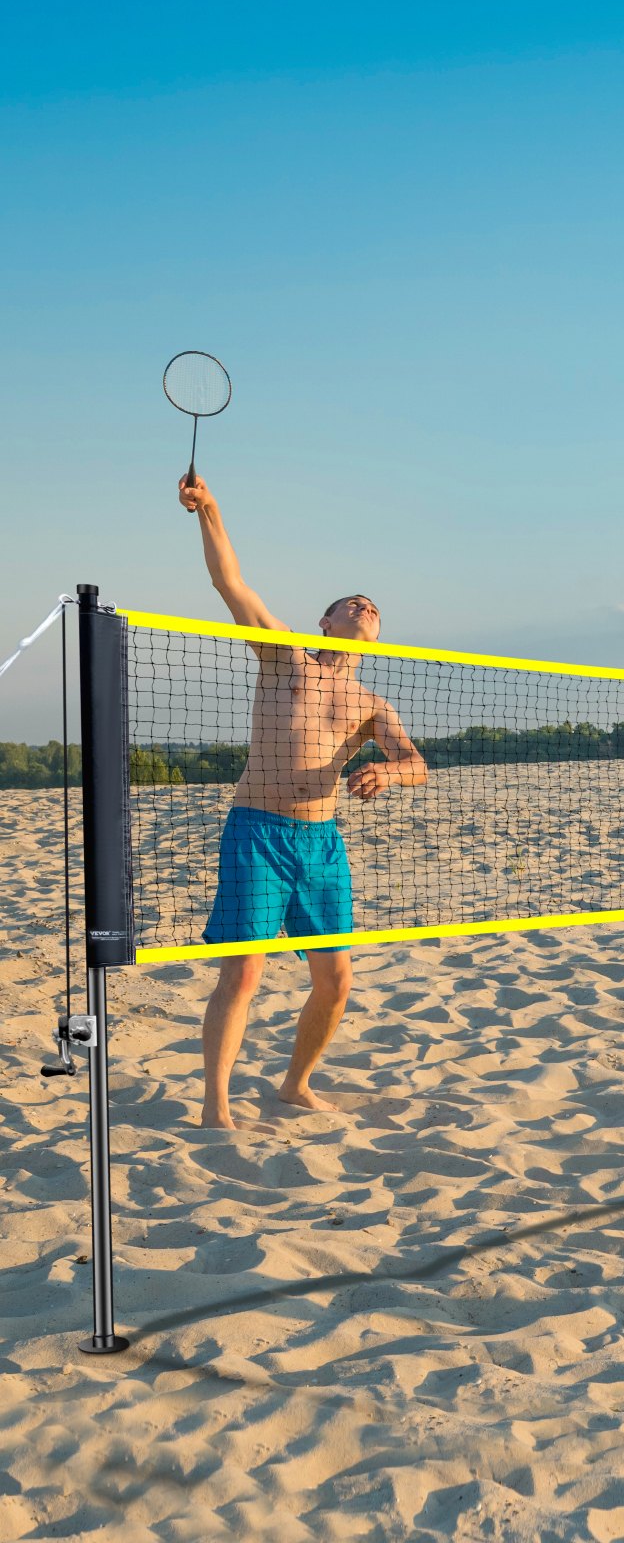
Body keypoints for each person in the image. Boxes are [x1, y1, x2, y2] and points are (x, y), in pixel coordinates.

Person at [178, 471, 427, 1130]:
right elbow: (231, 584)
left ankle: (294, 1085)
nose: (367, 610)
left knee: (336, 980)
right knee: (244, 976)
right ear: (327, 620)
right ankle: (216, 1107)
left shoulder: (372, 704)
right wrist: (210, 509)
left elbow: (415, 763)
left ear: (377, 637)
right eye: (356, 603)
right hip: (258, 831)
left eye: (375, 610)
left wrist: (390, 775)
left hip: (321, 844)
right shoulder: (285, 656)